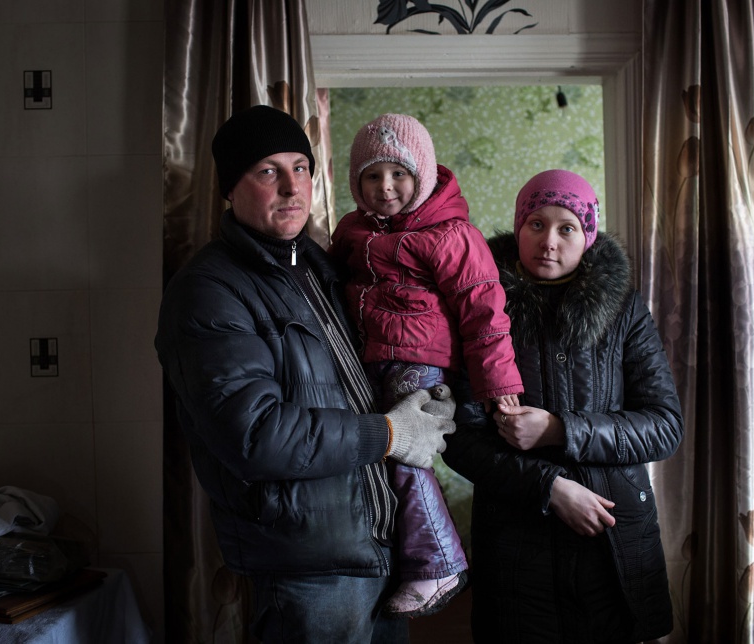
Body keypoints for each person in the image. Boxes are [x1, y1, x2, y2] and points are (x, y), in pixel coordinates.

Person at [155, 105, 458, 643]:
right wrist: (391, 433)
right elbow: (254, 434)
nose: (292, 187)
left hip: (378, 547)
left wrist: (431, 399)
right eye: (268, 171)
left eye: (300, 167)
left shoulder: (320, 266)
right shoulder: (209, 290)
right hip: (307, 566)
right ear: (231, 187)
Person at [442, 169, 684, 642]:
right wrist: (548, 487)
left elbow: (664, 426)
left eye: (566, 227)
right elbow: (457, 437)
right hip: (516, 549)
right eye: (536, 224)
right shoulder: (476, 308)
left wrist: (559, 430)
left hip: (614, 543)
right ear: (518, 227)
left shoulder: (624, 310)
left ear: (587, 235)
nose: (548, 241)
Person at [330, 113, 523, 618]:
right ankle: (397, 555)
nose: (385, 187)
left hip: (422, 359)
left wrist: (497, 384)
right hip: (367, 358)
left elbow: (485, 313)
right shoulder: (351, 230)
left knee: (406, 452)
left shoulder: (451, 233)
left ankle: (440, 563)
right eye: (372, 176)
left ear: (422, 176)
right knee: (366, 449)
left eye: (398, 174)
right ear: (357, 182)